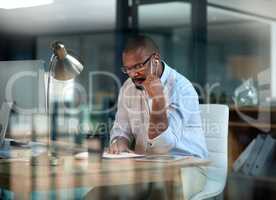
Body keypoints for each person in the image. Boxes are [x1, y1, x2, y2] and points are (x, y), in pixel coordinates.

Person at [86, 35, 208, 200]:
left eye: (138, 66)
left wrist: (157, 99)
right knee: (98, 194)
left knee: (159, 192)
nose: (132, 74)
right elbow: (121, 129)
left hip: (187, 167)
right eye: (127, 69)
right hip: (146, 168)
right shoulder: (128, 87)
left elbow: (164, 145)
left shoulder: (182, 88)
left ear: (155, 59)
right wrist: (120, 141)